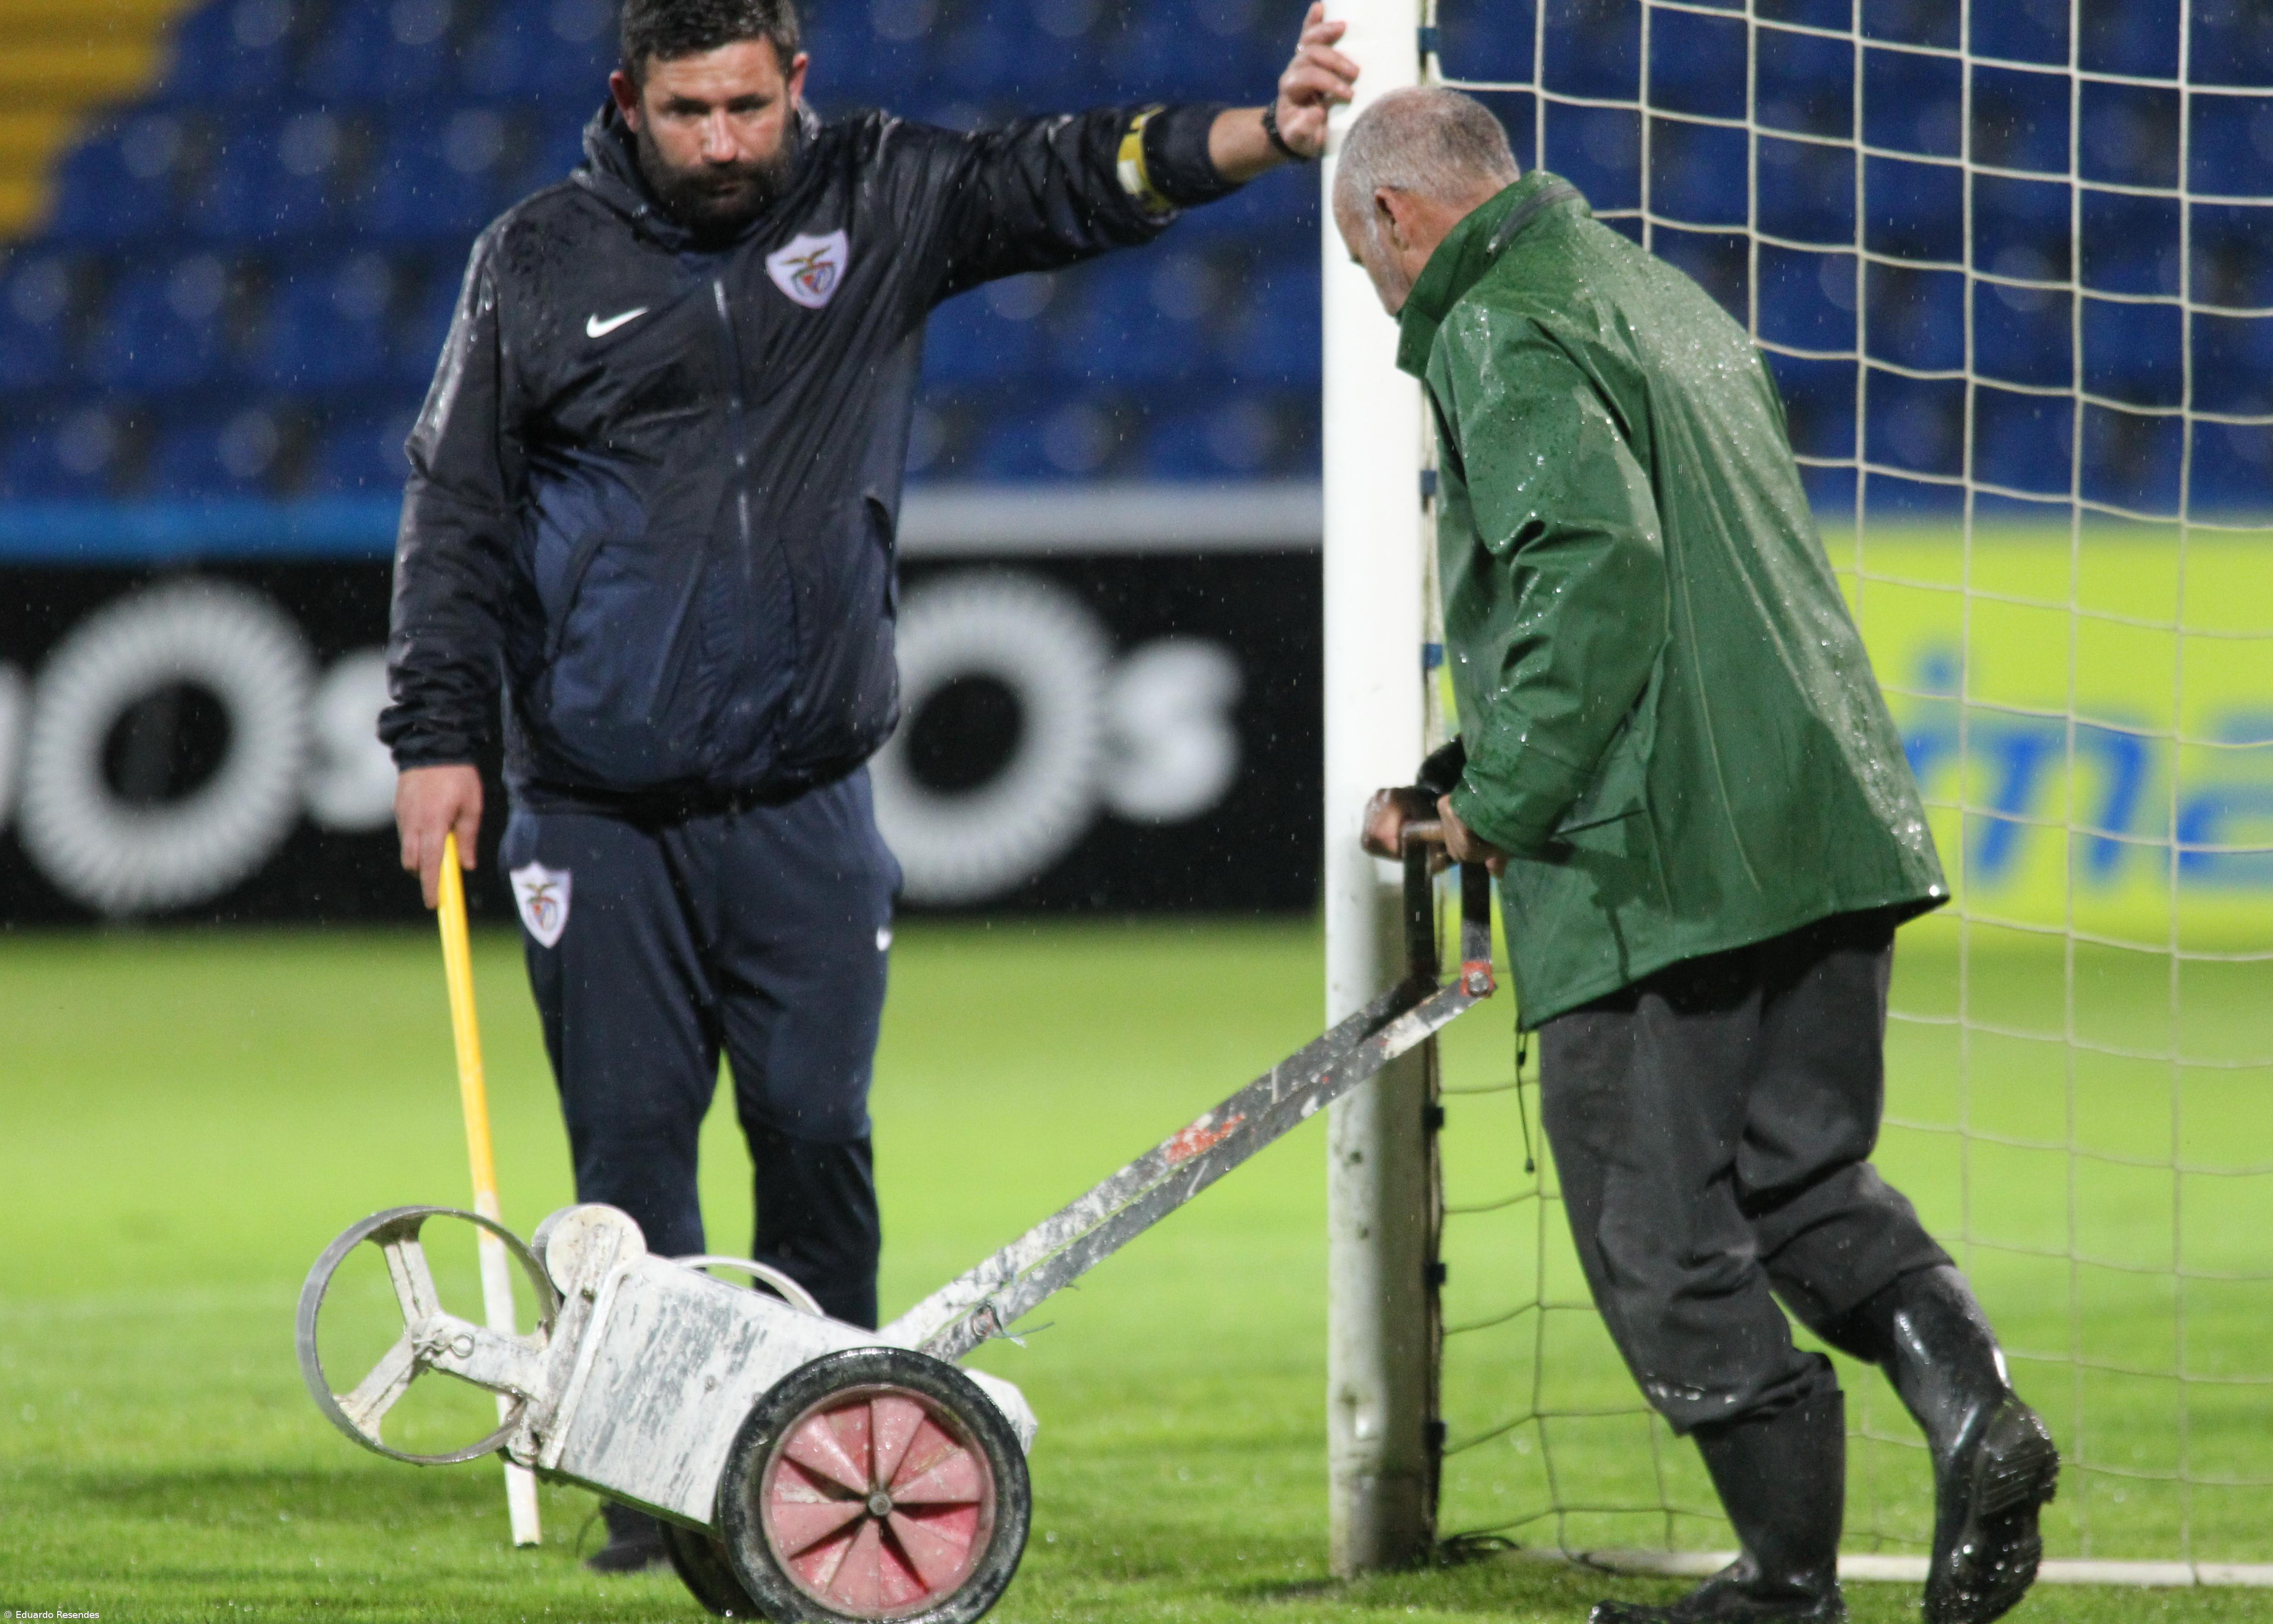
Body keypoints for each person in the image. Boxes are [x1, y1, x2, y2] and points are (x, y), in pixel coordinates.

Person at [381, 0, 1357, 1572]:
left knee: (815, 1131)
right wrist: (435, 735)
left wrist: (1264, 132)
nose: (721, 144)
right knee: (630, 1163)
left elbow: (1068, 179)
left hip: (808, 798)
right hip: (593, 805)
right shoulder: (536, 263)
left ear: (799, 89)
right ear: (628, 99)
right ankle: (658, 1485)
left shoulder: (880, 196)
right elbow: (458, 513)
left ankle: (823, 1455)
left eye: (749, 109)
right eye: (688, 112)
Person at [1341, 88, 2056, 1624]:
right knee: (1803, 1186)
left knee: (1658, 1234)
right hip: (1824, 819)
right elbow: (1678, 570)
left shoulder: (1492, 322)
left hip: (1660, 861)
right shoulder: (1657, 292)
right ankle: (1975, 1408)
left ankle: (1789, 1589)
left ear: (1398, 217)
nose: (1383, 295)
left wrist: (1499, 802)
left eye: (1367, 263)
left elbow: (1600, 568)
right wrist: (1479, 756)